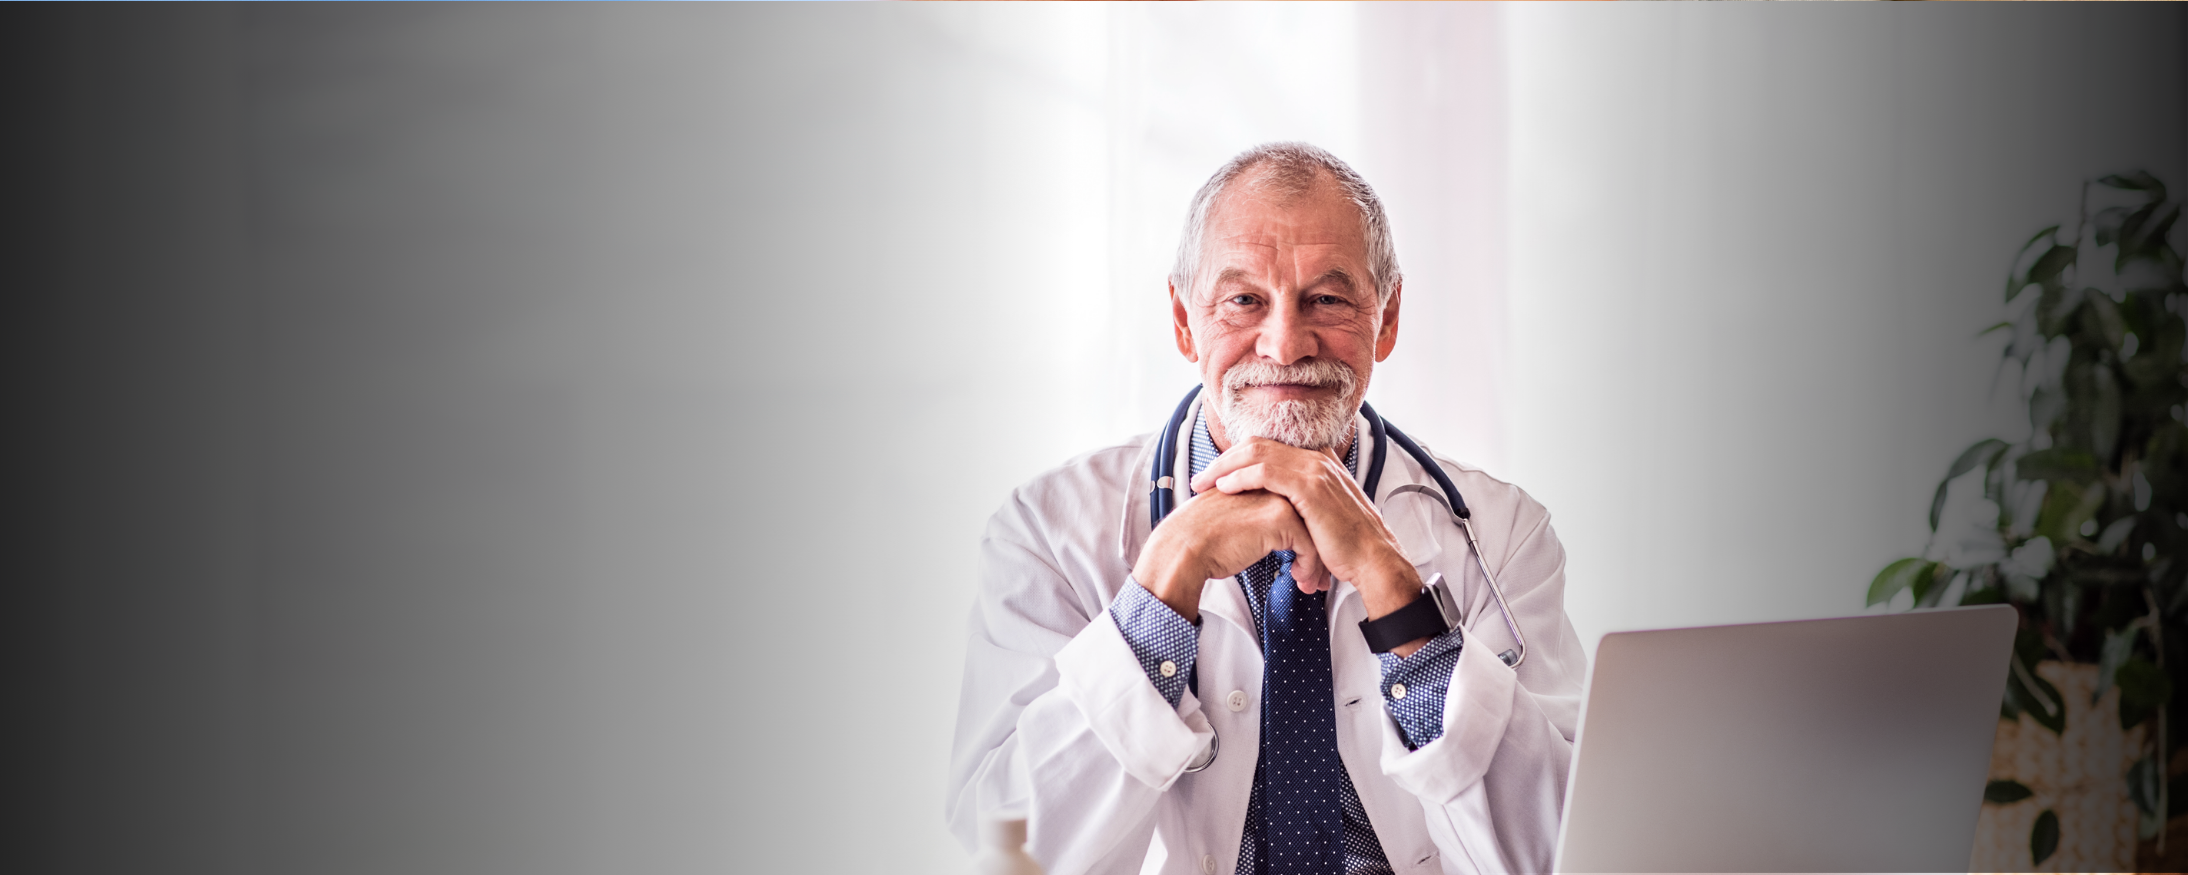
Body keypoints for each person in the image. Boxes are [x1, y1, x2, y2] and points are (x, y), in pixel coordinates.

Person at [947, 143, 1584, 875]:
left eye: (1328, 299)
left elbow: (1565, 852)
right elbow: (1005, 846)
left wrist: (1399, 594)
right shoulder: (1046, 533)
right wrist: (1162, 586)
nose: (1285, 344)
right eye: (1244, 300)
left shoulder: (1502, 534)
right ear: (1186, 322)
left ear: (1387, 316)